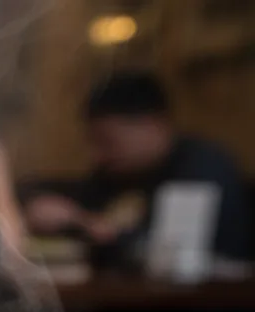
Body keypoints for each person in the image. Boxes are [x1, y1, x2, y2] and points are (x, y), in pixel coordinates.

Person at [25, 72, 251, 262]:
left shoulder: (202, 168)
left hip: (201, 306)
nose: (98, 155)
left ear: (152, 124)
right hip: (127, 304)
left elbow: (170, 254)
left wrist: (79, 221)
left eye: (107, 141)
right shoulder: (112, 174)